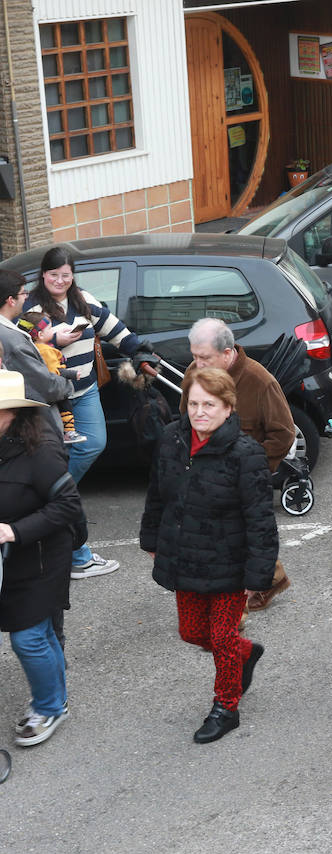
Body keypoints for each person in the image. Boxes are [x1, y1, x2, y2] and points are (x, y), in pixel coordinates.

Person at [140, 367, 276, 744]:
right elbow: (157, 493)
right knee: (192, 632)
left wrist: (257, 576)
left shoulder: (246, 454)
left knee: (222, 634)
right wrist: (152, 538)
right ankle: (245, 653)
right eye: (194, 403)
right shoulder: (171, 439)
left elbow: (261, 522)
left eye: (210, 405)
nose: (200, 412)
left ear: (228, 407)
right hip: (187, 557)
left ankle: (226, 706)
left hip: (230, 565)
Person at [28, 247, 153, 579]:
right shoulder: (34, 307)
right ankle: (62, 512)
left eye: (65, 275)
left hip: (85, 393)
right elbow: (25, 345)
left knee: (94, 444)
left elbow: (115, 329)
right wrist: (54, 338)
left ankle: (50, 491)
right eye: (53, 274)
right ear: (44, 275)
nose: (60, 280)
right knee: (59, 467)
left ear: (73, 276)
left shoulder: (83, 300)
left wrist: (139, 350)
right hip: (52, 401)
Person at [181, 318, 295, 611]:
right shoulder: (194, 374)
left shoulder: (260, 381)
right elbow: (184, 423)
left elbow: (283, 434)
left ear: (228, 352)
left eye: (205, 357)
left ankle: (230, 611)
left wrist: (252, 469)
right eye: (194, 356)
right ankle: (271, 578)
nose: (197, 364)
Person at [0, 370, 81, 747]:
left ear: (12, 412)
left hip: (44, 555)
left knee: (28, 637)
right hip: (11, 560)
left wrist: (14, 531)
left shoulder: (40, 449)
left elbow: (67, 505)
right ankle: (56, 697)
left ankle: (49, 707)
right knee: (40, 631)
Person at [0, 271, 72, 438]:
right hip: (36, 427)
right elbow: (45, 385)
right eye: (23, 293)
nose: (26, 297)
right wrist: (67, 384)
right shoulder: (13, 340)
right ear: (11, 300)